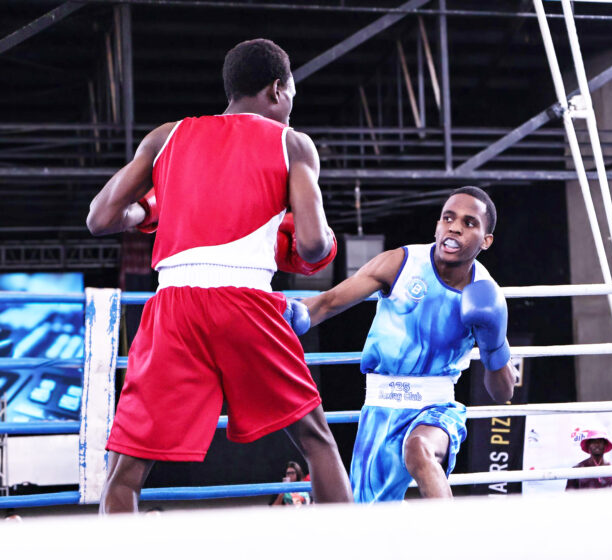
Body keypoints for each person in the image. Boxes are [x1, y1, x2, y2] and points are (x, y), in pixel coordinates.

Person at [86, 38, 352, 513]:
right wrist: (321, 241)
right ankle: (345, 544)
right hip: (246, 303)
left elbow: (100, 218)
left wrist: (146, 211)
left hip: (173, 305)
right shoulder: (292, 143)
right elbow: (313, 246)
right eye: (292, 94)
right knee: (316, 440)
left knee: (126, 468)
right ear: (277, 89)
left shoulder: (166, 136)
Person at [303, 186, 517, 502]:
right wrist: (272, 318)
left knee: (418, 449)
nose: (455, 227)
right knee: (369, 515)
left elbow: (503, 393)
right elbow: (327, 303)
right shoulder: (401, 263)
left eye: (469, 222)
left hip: (436, 408)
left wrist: (494, 345)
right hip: (380, 405)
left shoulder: (483, 292)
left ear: (486, 240)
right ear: (437, 226)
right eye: (448, 218)